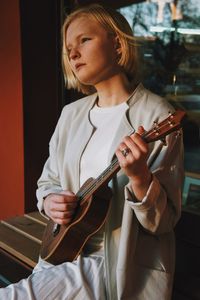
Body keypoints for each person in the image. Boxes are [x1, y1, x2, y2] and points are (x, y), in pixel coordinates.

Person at [0, 3, 184, 299]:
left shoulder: (157, 115)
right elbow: (48, 182)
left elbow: (163, 222)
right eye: (68, 48)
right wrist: (49, 203)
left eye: (84, 40)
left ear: (117, 44)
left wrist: (139, 178)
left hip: (117, 262)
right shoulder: (70, 114)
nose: (73, 54)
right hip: (62, 251)